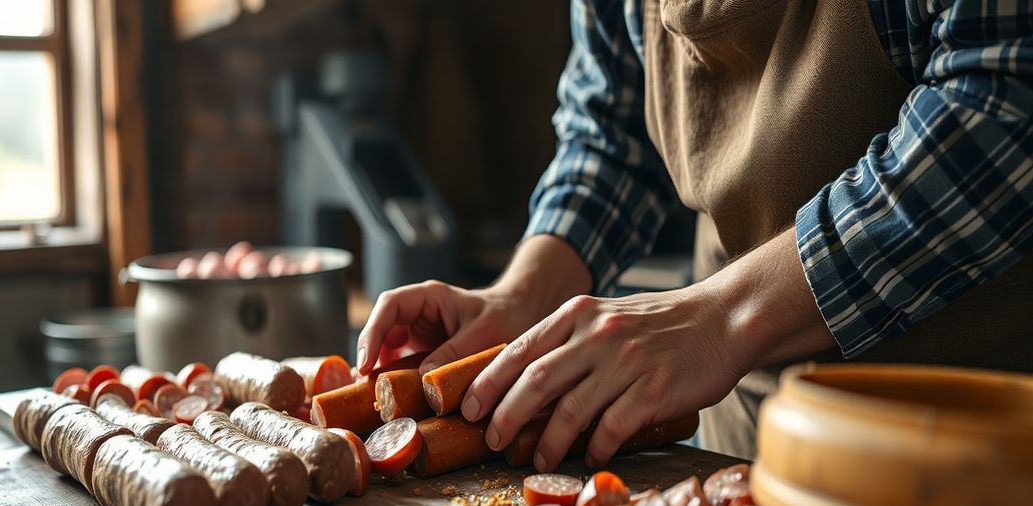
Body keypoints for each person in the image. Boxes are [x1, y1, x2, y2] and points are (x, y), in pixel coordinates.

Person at [356, 0, 1033, 470]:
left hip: (976, 477)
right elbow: (611, 132)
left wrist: (723, 316)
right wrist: (523, 296)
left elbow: (1004, 105)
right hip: (741, 452)